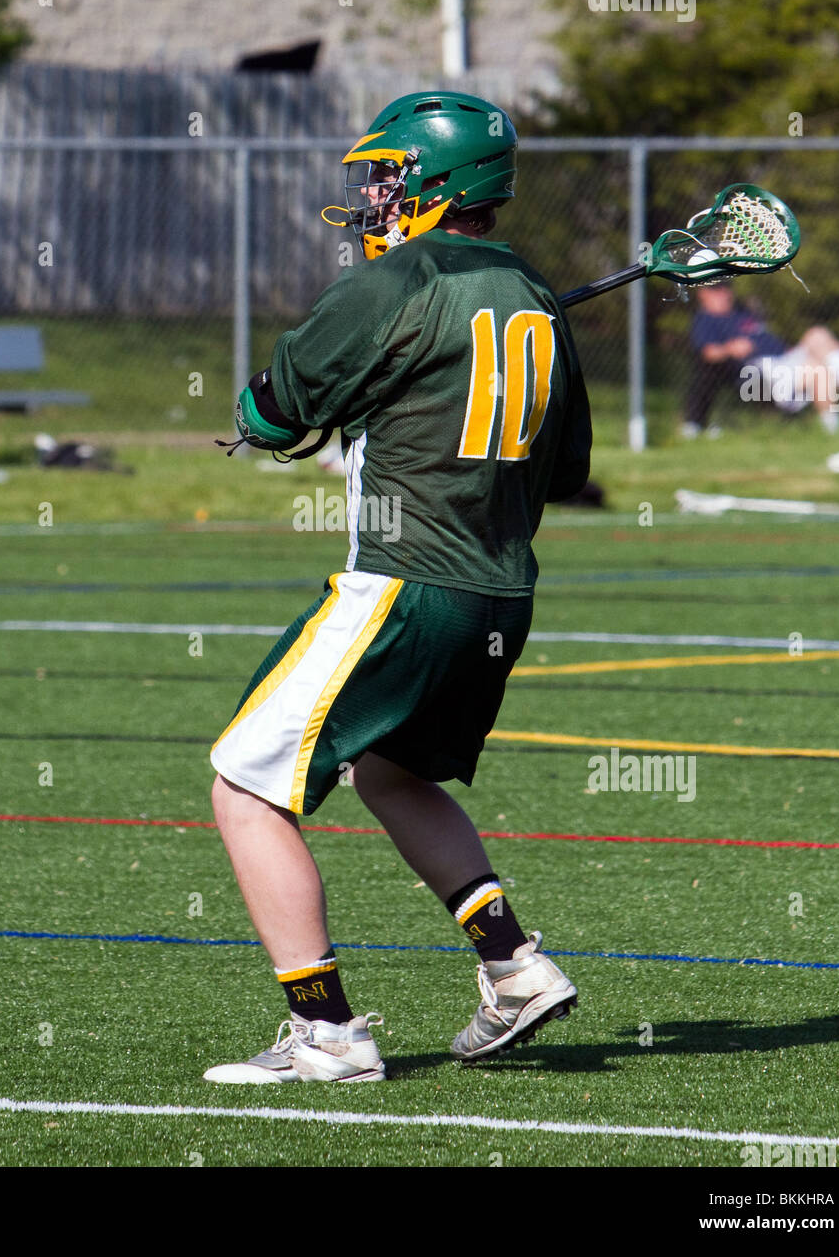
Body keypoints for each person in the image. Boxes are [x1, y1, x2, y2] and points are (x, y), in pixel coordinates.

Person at [205, 91, 592, 1084]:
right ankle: (513, 964)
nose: (373, 193)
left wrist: (261, 420)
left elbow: (279, 402)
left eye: (388, 173)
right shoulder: (532, 291)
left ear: (434, 182)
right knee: (388, 769)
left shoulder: (401, 281)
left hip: (402, 581)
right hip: (502, 595)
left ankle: (326, 1031)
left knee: (246, 784)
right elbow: (567, 462)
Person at [681, 282, 839, 437]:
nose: (724, 293)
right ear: (703, 294)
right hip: (763, 372)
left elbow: (778, 345)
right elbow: (708, 353)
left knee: (817, 335)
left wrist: (824, 349)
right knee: (818, 369)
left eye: (726, 287)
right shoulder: (706, 319)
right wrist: (731, 347)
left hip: (784, 359)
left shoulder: (742, 313)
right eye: (716, 290)